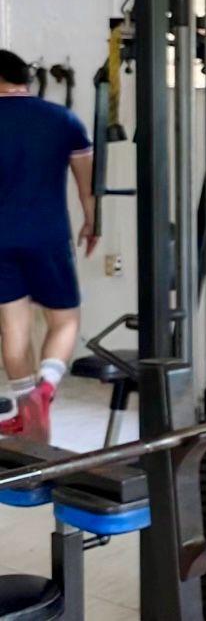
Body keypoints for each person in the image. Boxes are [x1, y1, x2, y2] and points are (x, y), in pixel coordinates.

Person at [0, 49, 98, 443]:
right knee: (65, 320)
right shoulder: (64, 120)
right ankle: (46, 388)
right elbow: (87, 186)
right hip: (49, 237)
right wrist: (92, 222)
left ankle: (29, 417)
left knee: (13, 329)